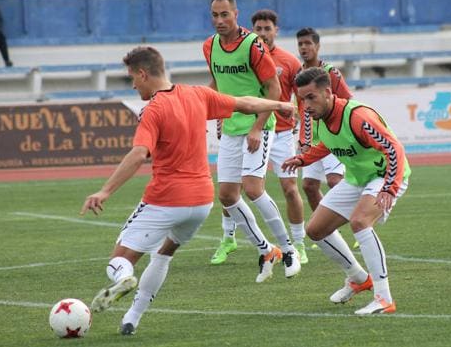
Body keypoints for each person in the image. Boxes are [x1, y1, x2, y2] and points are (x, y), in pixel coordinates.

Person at [82, 46, 296, 335]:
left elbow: (138, 154)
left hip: (166, 199)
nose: (132, 84)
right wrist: (279, 105)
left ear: (143, 74)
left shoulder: (153, 110)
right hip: (201, 202)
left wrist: (105, 191)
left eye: (132, 77)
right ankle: (132, 317)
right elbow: (244, 103)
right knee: (164, 253)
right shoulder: (197, 94)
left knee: (119, 260)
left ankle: (124, 278)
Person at [282, 67, 411, 315]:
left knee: (360, 221)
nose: (306, 105)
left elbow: (394, 148)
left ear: (328, 92)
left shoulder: (358, 116)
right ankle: (358, 278)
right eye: (302, 99)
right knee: (315, 230)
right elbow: (326, 145)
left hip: (385, 176)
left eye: (311, 97)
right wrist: (303, 160)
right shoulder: (317, 118)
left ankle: (384, 298)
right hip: (357, 178)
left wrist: (390, 187)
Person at [204, 0, 300, 281]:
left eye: (225, 14)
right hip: (231, 128)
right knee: (227, 195)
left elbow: (273, 89)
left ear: (235, 14)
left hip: (258, 126)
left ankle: (289, 249)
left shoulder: (253, 45)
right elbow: (217, 82)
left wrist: (258, 125)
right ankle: (266, 249)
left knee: (253, 188)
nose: (220, 20)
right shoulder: (209, 46)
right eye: (215, 15)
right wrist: (215, 112)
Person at [296, 27, 352, 212]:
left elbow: (348, 101)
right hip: (312, 140)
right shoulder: (299, 75)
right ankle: (327, 234)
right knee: (309, 186)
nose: (304, 48)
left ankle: (359, 223)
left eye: (308, 43)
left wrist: (344, 131)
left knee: (335, 181)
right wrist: (303, 139)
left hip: (333, 136)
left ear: (317, 46)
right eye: (300, 44)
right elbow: (302, 109)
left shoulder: (330, 72)